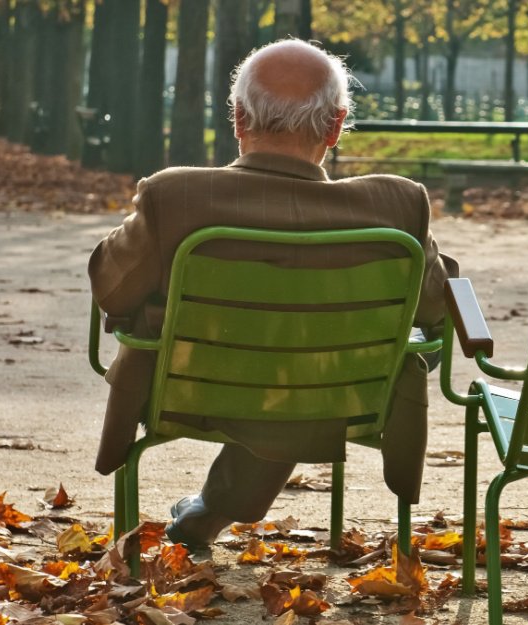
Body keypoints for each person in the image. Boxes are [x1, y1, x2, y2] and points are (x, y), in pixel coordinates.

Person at [88, 39, 455, 549]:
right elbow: (437, 310)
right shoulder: (397, 207)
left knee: (277, 360)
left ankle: (212, 510)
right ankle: (213, 509)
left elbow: (111, 292)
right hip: (345, 395)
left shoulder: (175, 197)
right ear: (335, 125)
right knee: (309, 360)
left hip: (191, 392)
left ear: (238, 119)